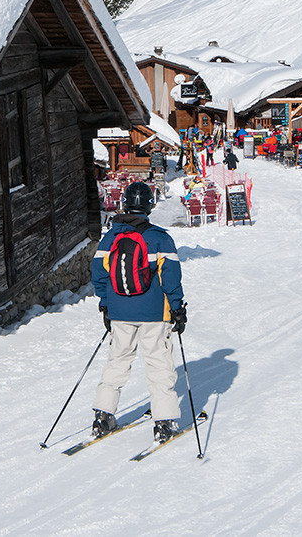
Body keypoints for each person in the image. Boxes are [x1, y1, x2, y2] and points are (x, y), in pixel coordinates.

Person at [91, 181, 187, 443]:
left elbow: (99, 274)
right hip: (155, 313)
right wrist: (177, 308)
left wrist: (107, 303)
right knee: (158, 364)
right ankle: (164, 421)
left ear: (124, 202)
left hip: (120, 311)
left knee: (117, 362)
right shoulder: (160, 238)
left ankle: (103, 415)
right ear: (149, 205)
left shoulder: (109, 238)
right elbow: (171, 279)